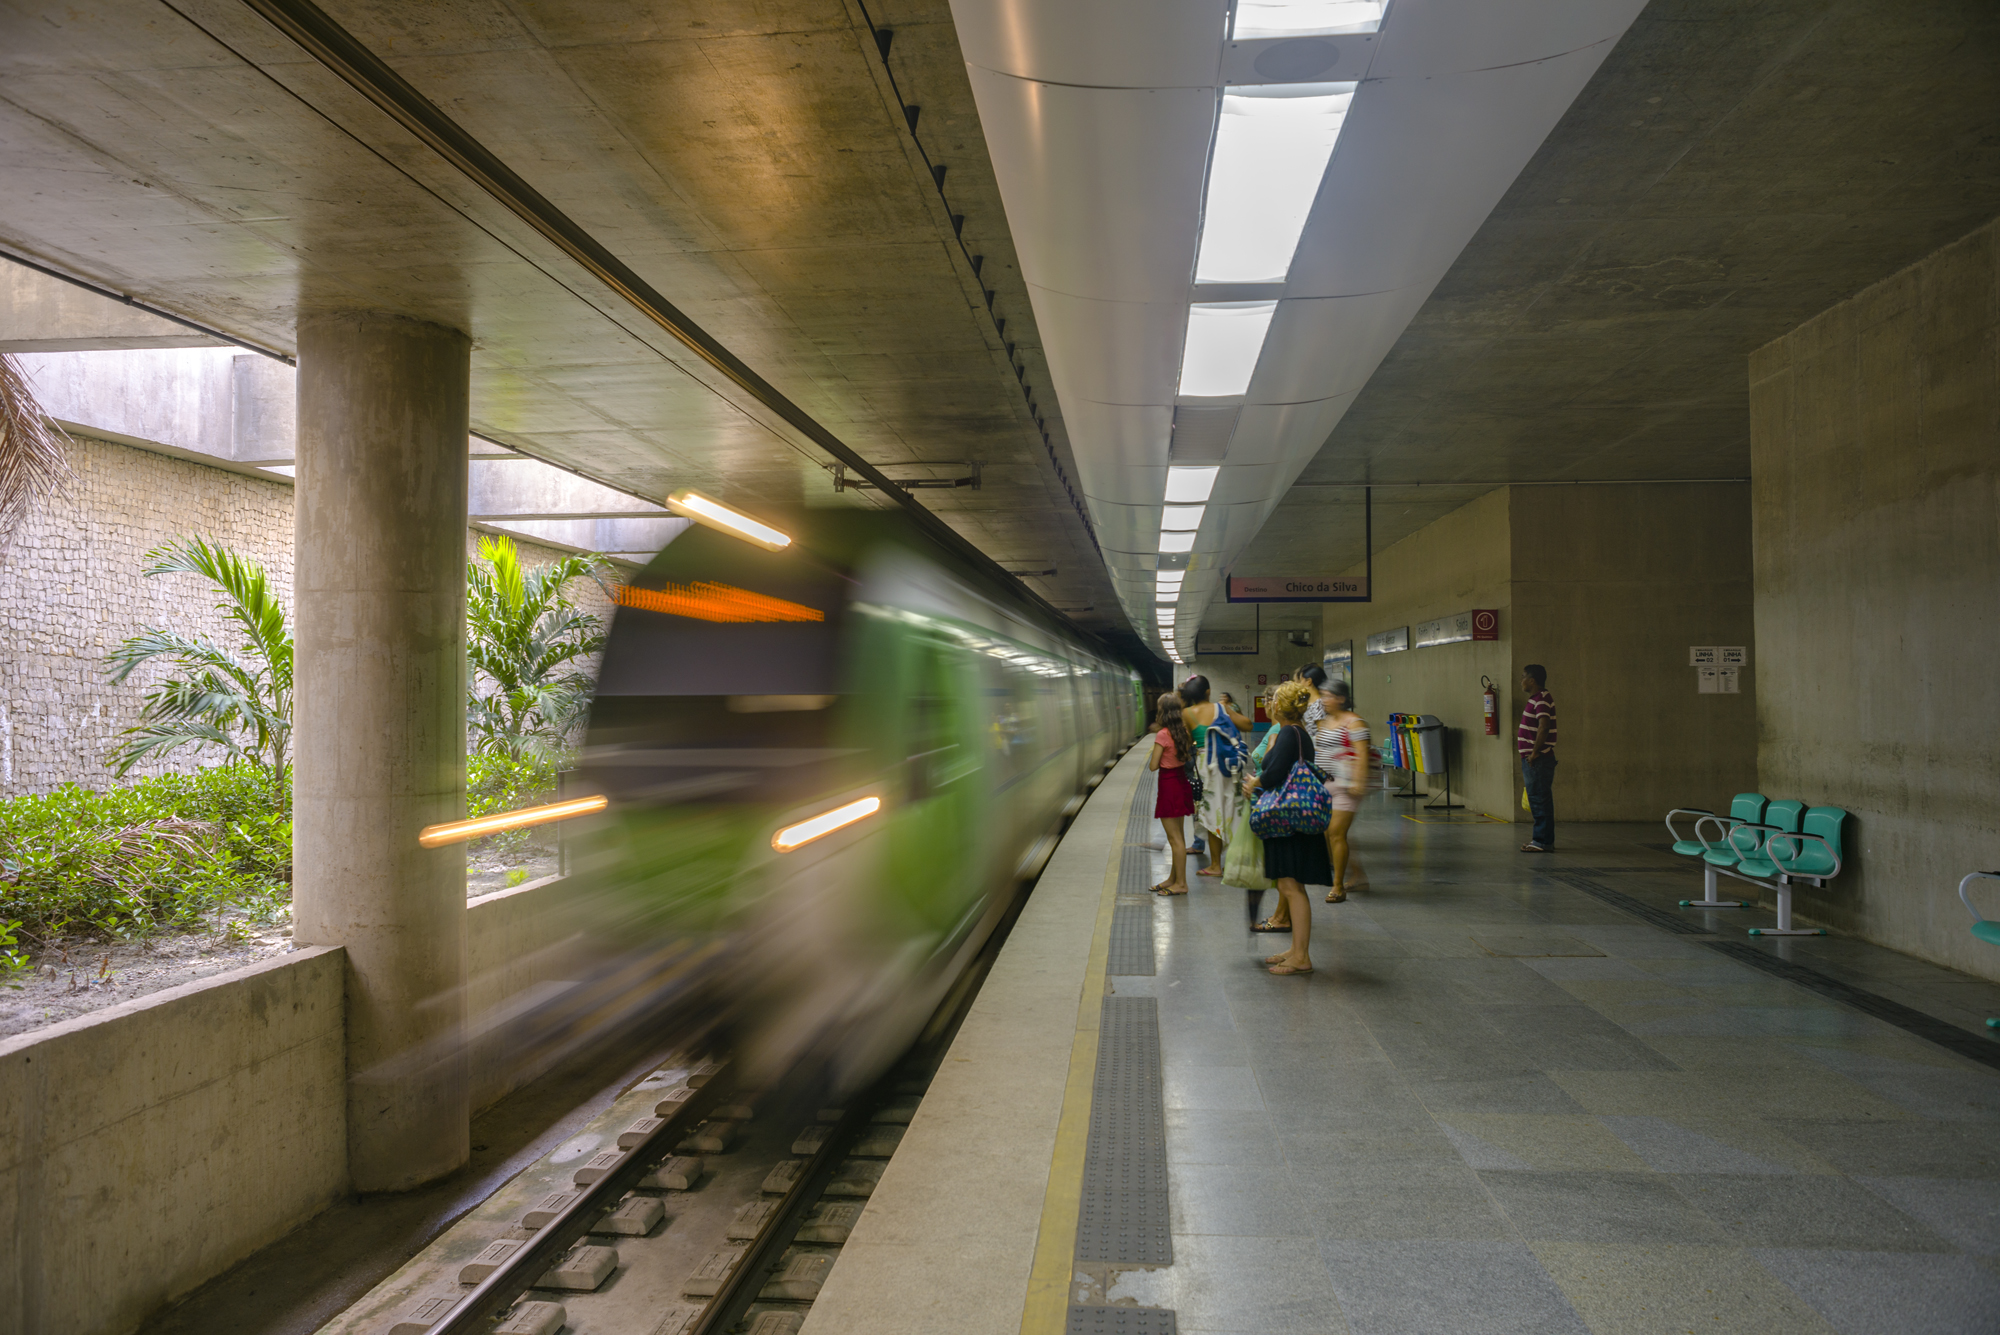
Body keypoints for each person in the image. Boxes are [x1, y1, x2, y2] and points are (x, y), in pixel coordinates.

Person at [1241, 678, 1330, 975]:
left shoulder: (1289, 734)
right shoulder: (1298, 733)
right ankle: (1295, 949)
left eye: (1273, 700)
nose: (1270, 705)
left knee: (1292, 887)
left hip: (1288, 821)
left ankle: (1302, 956)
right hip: (1292, 820)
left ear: (1279, 705)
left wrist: (1255, 782)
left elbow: (1273, 772)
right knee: (1292, 885)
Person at [1179, 675, 1252, 878]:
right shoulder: (1221, 709)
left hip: (1206, 768)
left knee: (1212, 815)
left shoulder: (1187, 713)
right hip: (1228, 767)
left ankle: (1215, 866)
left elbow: (1185, 745)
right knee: (1233, 810)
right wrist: (1226, 710)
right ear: (1208, 692)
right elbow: (1248, 725)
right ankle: (1236, 862)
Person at [1315, 679, 1371, 902]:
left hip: (1346, 785)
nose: (1323, 700)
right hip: (1325, 784)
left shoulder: (1355, 722)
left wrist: (1359, 780)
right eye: (1322, 695)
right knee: (1328, 835)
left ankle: (1338, 886)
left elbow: (1363, 753)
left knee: (1336, 833)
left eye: (1327, 696)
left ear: (1341, 698)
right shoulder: (1327, 721)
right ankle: (1357, 875)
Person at [1148, 691, 1196, 894]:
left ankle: (1181, 884)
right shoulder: (1184, 731)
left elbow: (1153, 765)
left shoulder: (1163, 734)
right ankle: (1173, 878)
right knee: (1179, 837)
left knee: (1174, 839)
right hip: (1181, 783)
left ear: (1162, 712)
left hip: (1168, 786)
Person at [1518, 663, 1558, 851]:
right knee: (1538, 798)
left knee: (1539, 799)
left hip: (1538, 759)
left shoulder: (1541, 699)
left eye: (1523, 677)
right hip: (1535, 758)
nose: (1521, 681)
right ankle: (1542, 840)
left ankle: (1541, 841)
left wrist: (1534, 753)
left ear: (1532, 680)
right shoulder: (1537, 699)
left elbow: (1544, 726)